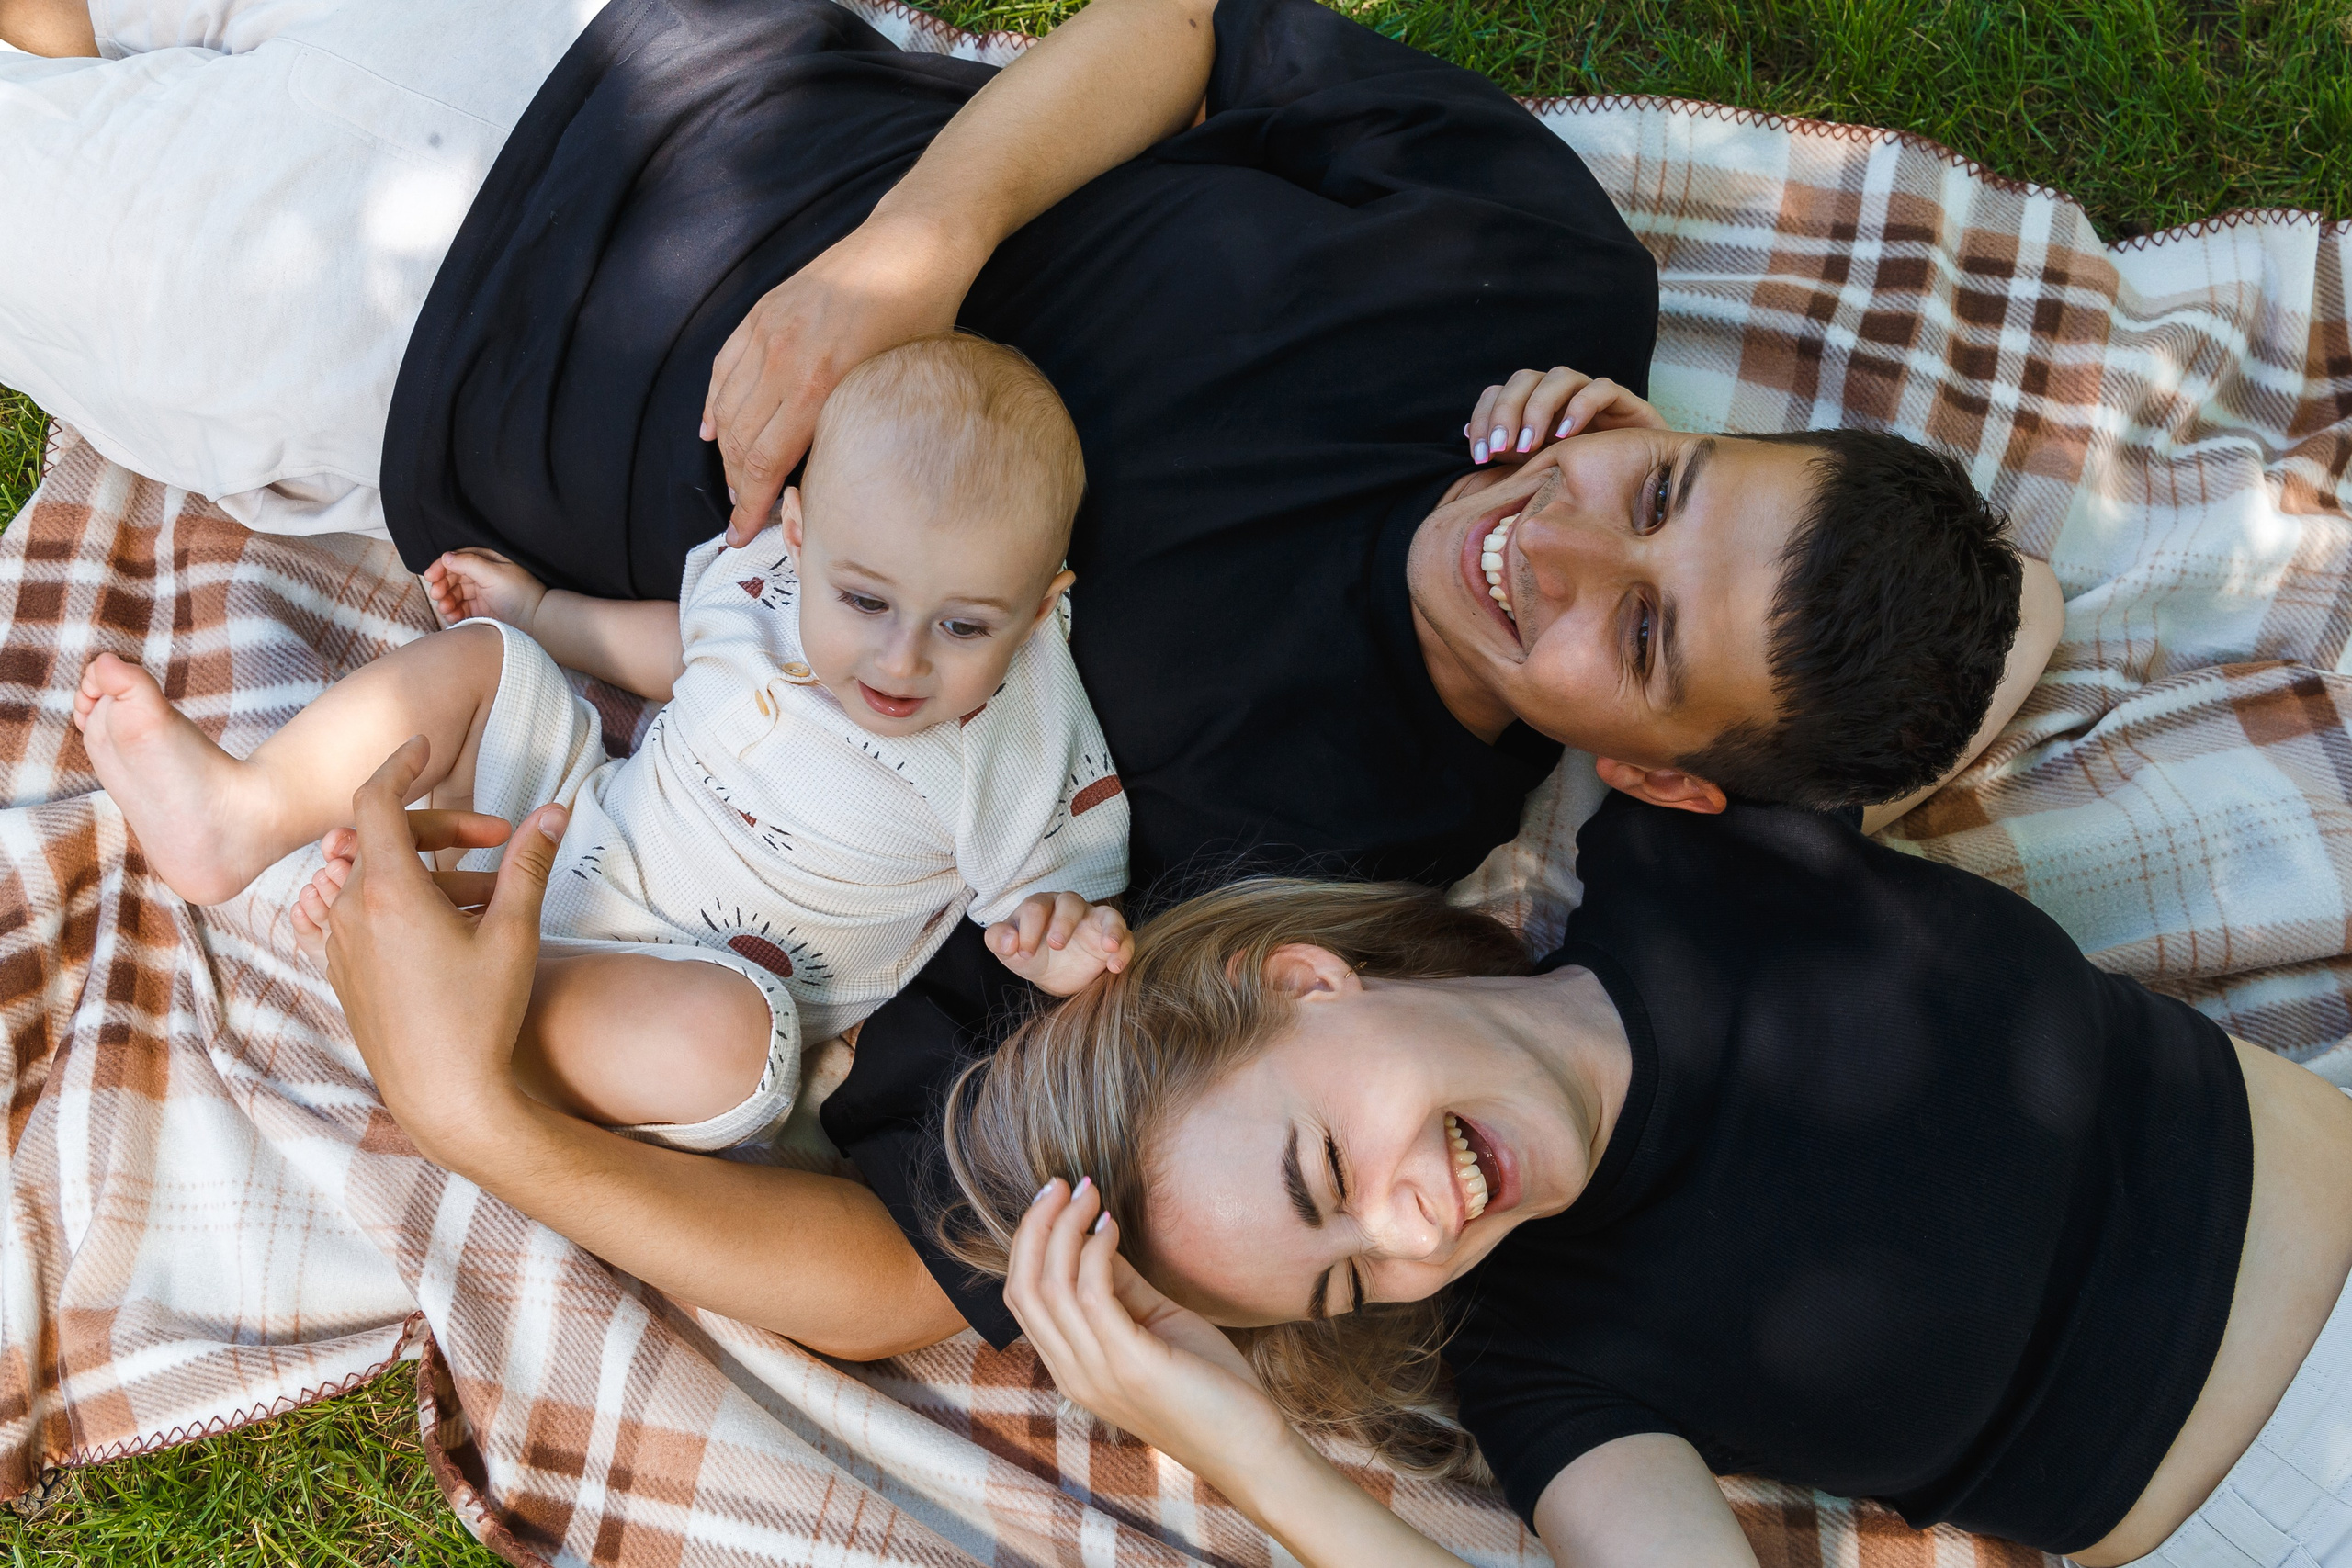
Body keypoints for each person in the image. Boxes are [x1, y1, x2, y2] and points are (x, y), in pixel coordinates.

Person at [3, 0, 2062, 1356]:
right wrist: (908, 251)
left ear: (1672, 780)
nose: (1564, 540)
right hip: (626, 41)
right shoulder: (1539, 273)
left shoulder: (1292, 863)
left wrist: (489, 1127)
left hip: (372, 328)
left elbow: (916, 1264)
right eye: (1666, 486)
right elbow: (1190, 27)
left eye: (1641, 634)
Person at [934, 809, 2352, 1568]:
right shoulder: (1548, 1369)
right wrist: (1249, 1455)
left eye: (1329, 1169)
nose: (1414, 1225)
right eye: (1352, 1278)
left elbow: (1993, 615)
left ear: (1305, 981)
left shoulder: (1678, 841)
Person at [74, 334, 1134, 1145]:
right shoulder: (765, 577)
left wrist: (1057, 941)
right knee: (489, 660)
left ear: (1043, 606)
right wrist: (544, 616)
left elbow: (1045, 900)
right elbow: (683, 650)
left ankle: (468, 1007)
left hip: (680, 994)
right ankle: (242, 813)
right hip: (560, 835)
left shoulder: (1024, 734)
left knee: (739, 1044)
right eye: (863, 602)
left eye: (964, 628)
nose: (901, 661)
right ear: (799, 535)